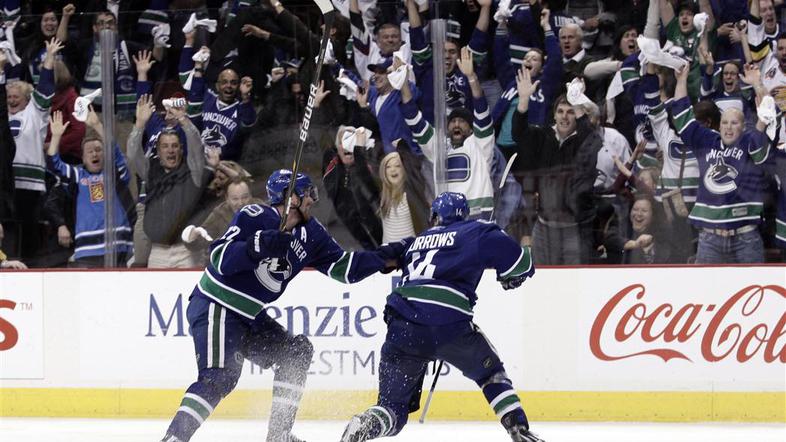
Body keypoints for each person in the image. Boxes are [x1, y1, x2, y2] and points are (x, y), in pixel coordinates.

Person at [160, 169, 406, 442]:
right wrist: (257, 246)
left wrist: (390, 256)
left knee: (295, 353)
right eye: (308, 194)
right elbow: (219, 257)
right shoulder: (255, 215)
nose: (312, 199)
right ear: (292, 198)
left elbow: (345, 269)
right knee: (219, 376)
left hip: (249, 315)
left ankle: (279, 435)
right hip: (217, 304)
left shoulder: (313, 234)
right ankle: (174, 438)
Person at [340, 191, 541, 442]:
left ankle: (367, 423)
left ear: (434, 216)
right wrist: (511, 274)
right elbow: (522, 264)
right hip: (449, 325)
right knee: (490, 373)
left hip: (403, 325)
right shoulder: (478, 231)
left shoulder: (415, 241)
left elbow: (384, 257)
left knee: (393, 409)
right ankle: (518, 427)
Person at [671, 64, 771, 263]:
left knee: (752, 283)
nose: (728, 127)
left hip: (745, 238)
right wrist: (681, 80)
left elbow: (766, 111)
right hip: (710, 239)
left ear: (743, 127)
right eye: (725, 122)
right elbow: (682, 116)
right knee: (704, 284)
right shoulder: (707, 140)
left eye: (734, 123)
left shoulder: (749, 141)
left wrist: (758, 84)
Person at [400, 47, 496, 219]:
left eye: (462, 121)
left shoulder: (480, 143)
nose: (456, 124)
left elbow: (481, 108)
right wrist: (403, 84)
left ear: (471, 129)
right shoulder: (438, 146)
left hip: (477, 214)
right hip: (448, 216)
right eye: (453, 121)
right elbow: (414, 119)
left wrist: (471, 77)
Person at [127, 94, 217, 268]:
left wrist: (183, 120)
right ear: (158, 151)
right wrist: (139, 124)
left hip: (187, 251)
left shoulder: (193, 172)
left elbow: (196, 146)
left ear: (181, 150)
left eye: (175, 146)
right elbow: (132, 156)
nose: (170, 150)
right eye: (165, 146)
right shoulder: (150, 171)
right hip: (158, 251)